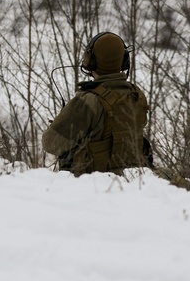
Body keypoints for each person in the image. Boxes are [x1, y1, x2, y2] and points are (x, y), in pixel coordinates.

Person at [42, 31, 150, 176]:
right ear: (124, 60)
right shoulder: (137, 95)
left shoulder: (89, 100)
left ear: (90, 61)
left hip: (94, 185)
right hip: (132, 180)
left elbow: (50, 143)